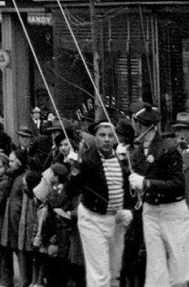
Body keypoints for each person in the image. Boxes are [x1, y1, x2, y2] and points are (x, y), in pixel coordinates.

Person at [129, 104, 189, 287]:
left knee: (179, 267)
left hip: (172, 211)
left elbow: (178, 184)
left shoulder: (168, 148)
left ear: (145, 126)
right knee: (155, 268)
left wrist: (146, 183)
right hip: (151, 211)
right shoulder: (138, 152)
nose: (135, 128)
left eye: (137, 124)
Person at [69, 118, 134, 287]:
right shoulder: (86, 160)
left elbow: (129, 191)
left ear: (115, 139)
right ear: (95, 137)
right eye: (102, 135)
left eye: (110, 136)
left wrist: (129, 210)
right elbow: (71, 191)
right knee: (99, 274)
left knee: (114, 273)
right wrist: (74, 172)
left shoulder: (122, 159)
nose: (106, 139)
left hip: (116, 220)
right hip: (93, 220)